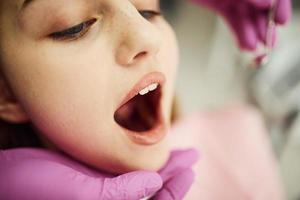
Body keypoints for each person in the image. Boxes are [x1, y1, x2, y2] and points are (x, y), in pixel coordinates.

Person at [0, 0, 291, 199]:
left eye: (147, 10)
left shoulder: (237, 141)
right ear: (6, 92)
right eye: (75, 26)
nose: (147, 36)